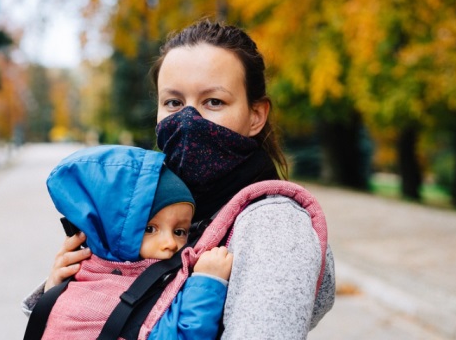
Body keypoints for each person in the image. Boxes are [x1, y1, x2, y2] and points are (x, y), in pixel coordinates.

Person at [24, 19, 335, 339]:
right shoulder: (156, 201)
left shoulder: (273, 224)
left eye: (213, 101)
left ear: (255, 115)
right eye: (173, 102)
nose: (187, 120)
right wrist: (65, 292)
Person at [36, 145, 233, 339]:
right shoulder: (91, 295)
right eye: (149, 229)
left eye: (180, 231)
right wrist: (207, 283)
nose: (170, 243)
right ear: (111, 230)